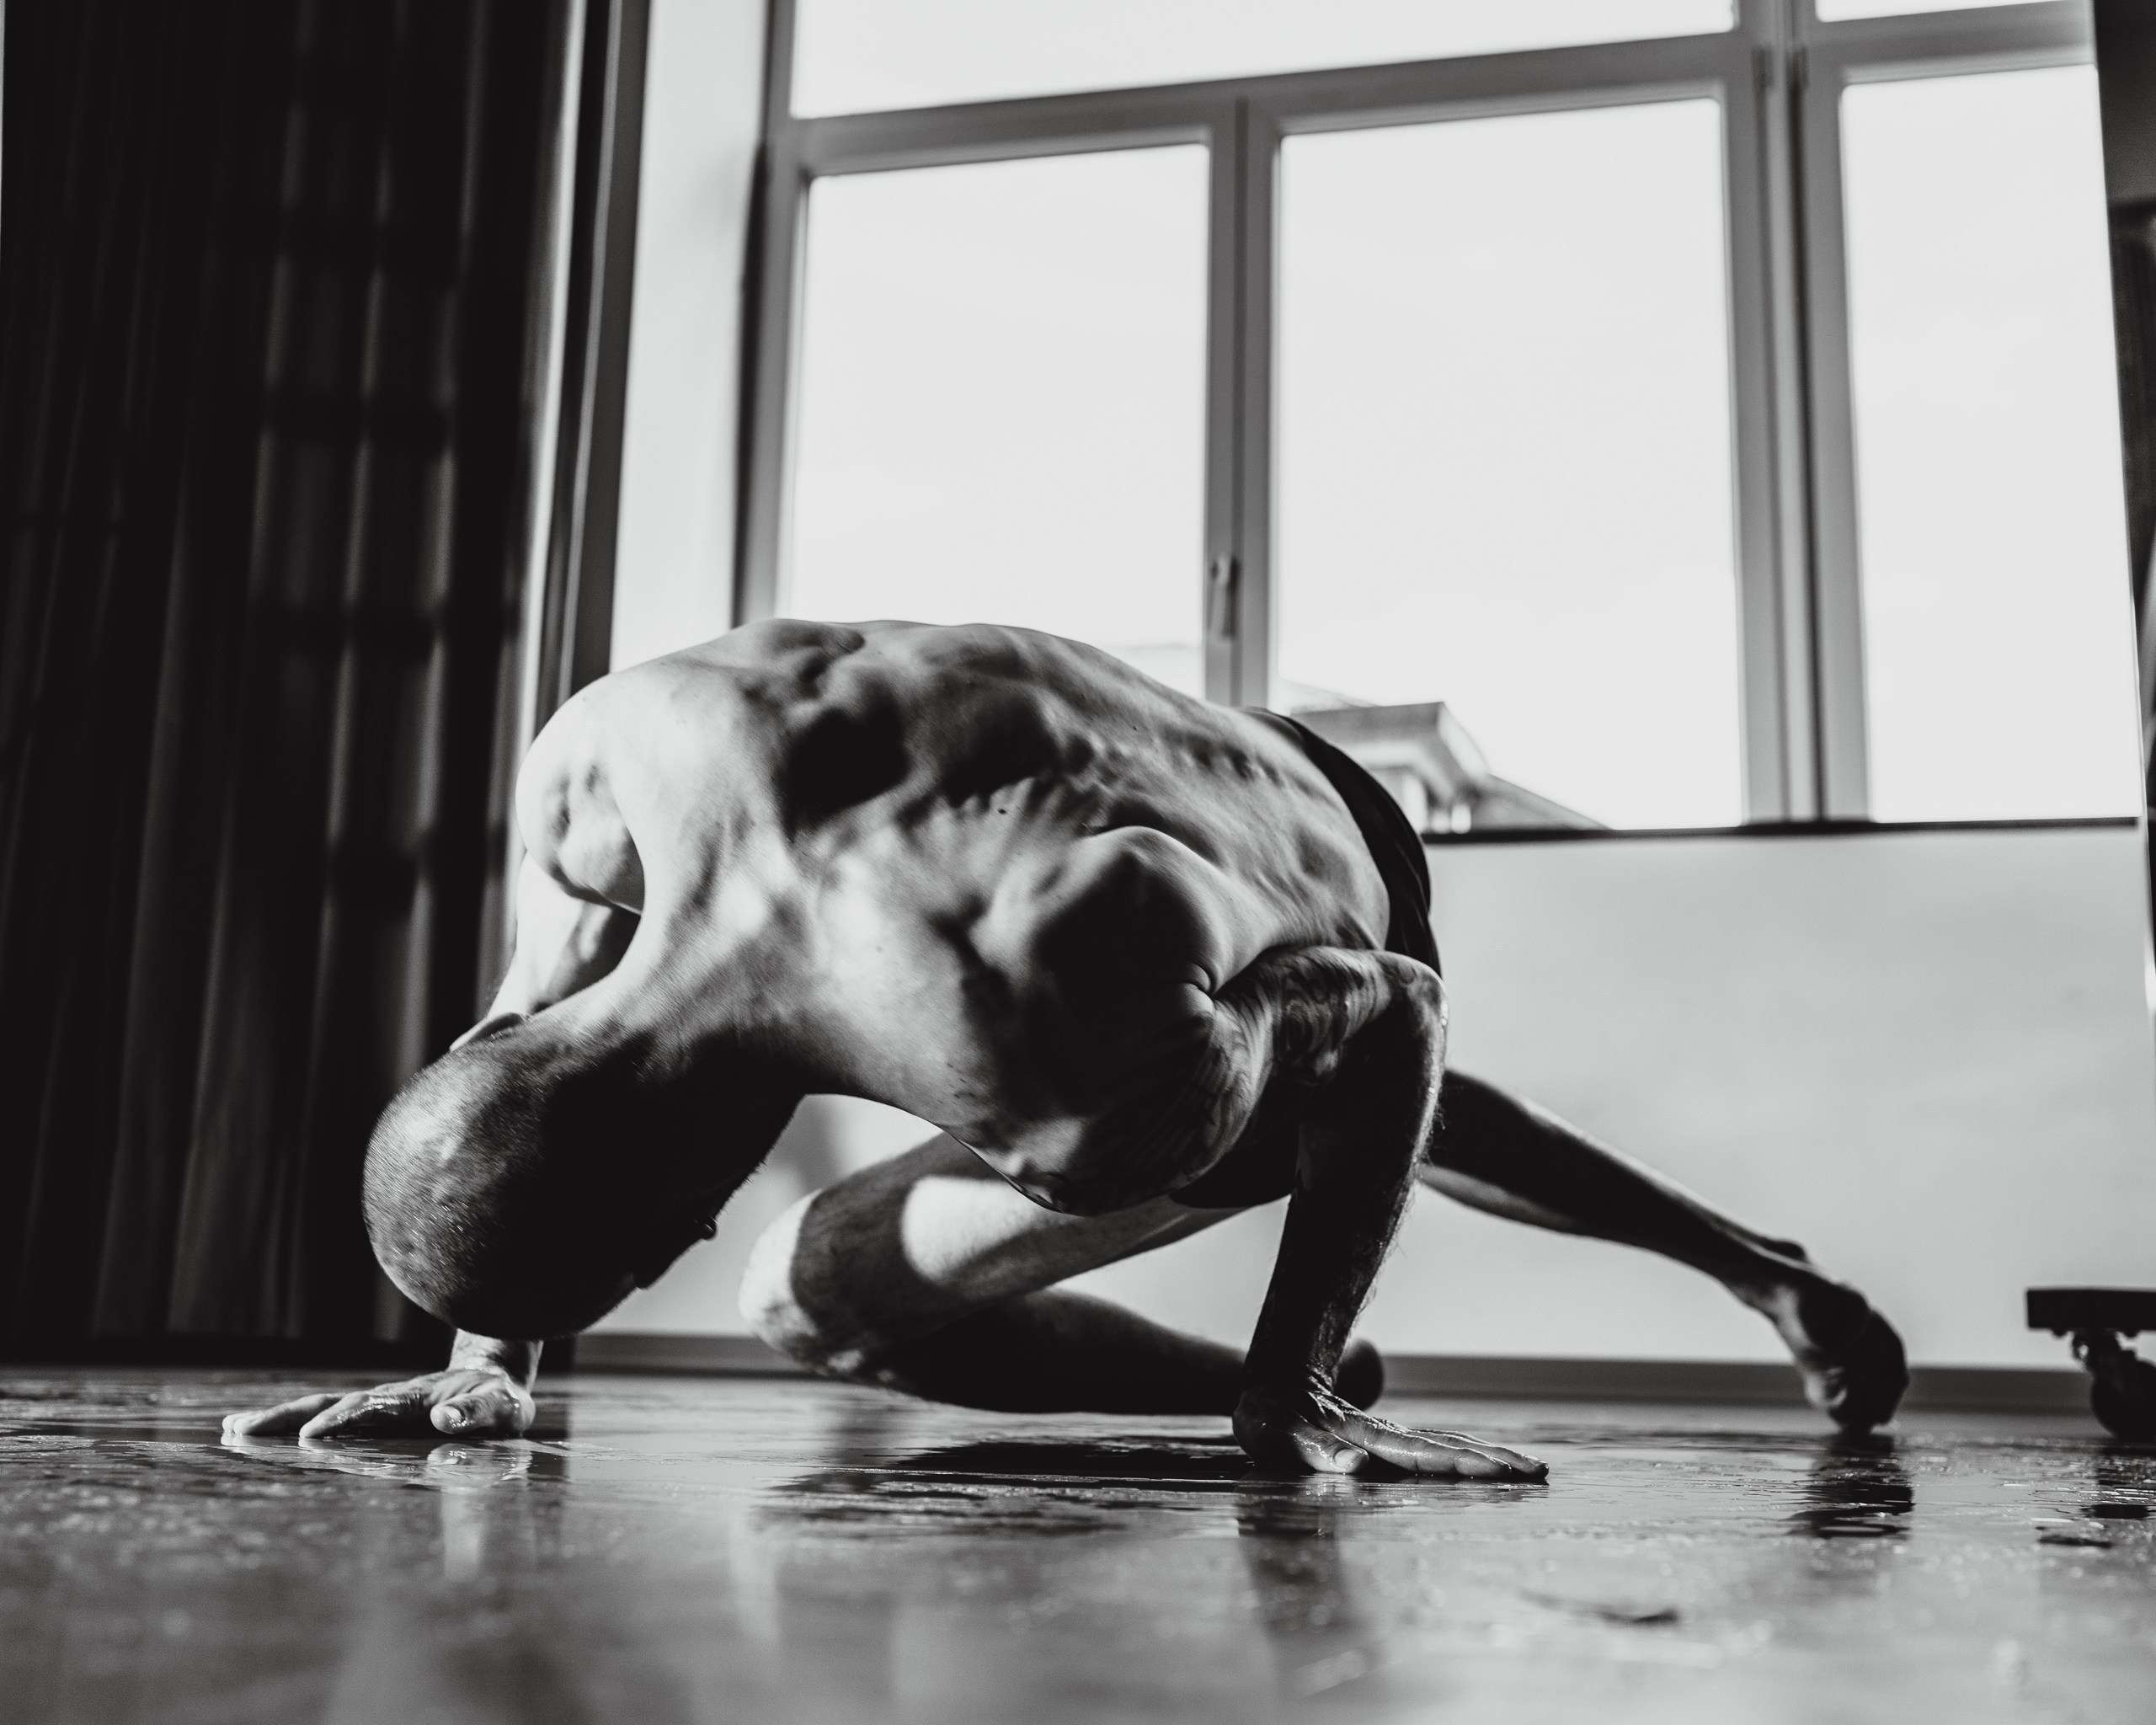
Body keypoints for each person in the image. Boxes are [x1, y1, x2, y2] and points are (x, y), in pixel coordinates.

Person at [224, 621, 1908, 1477]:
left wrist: (1288, 1381)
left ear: (681, 1200)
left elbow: (1394, 1011)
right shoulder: (602, 761)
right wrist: (484, 1361)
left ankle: (1724, 1282)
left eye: (666, 1240)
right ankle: (1766, 1274)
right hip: (1147, 779)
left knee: (818, 1296)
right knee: (1203, 1076)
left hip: (1322, 858)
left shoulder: (1052, 1062)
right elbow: (507, 1085)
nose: (694, 1238)